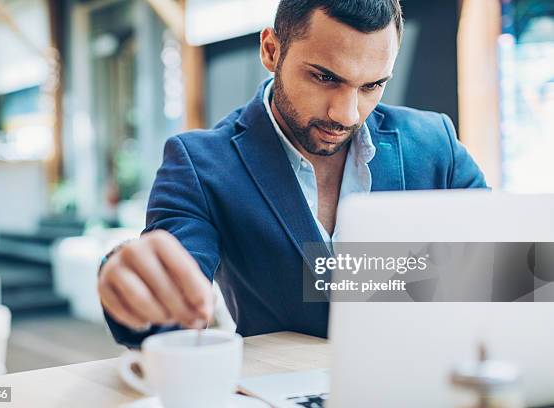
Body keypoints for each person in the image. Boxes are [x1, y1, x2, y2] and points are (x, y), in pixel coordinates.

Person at [98, 0, 487, 348]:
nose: (347, 114)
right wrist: (132, 281)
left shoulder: (435, 142)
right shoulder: (200, 164)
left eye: (372, 85)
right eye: (325, 77)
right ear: (271, 49)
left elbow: (511, 271)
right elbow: (170, 309)